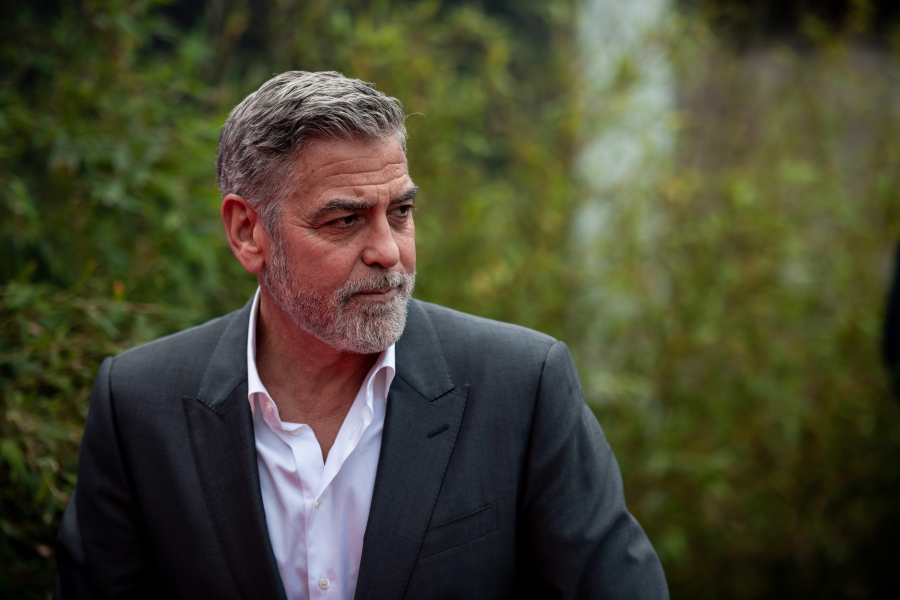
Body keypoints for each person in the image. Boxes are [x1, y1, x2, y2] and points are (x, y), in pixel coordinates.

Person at [55, 71, 668, 599]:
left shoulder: (520, 386)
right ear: (247, 233)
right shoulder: (139, 405)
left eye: (400, 212)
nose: (388, 252)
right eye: (345, 220)